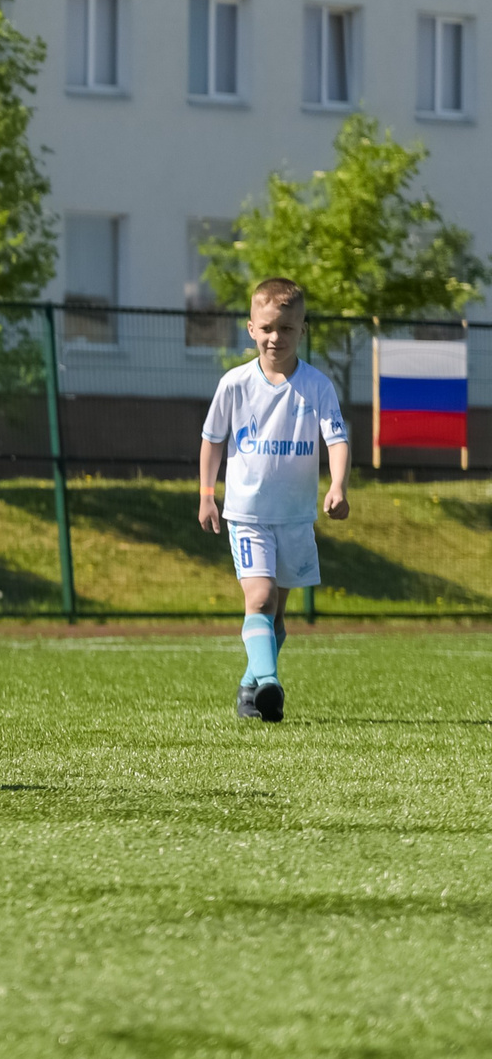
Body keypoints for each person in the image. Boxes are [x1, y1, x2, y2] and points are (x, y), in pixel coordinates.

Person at [198, 276, 350, 724]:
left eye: (285, 328)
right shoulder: (235, 384)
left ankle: (251, 685)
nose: (275, 337)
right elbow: (212, 441)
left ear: (302, 329)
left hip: (295, 516)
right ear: (250, 329)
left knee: (277, 617)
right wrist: (208, 495)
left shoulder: (318, 387)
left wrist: (337, 485)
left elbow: (336, 440)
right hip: (247, 513)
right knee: (260, 599)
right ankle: (269, 684)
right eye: (266, 328)